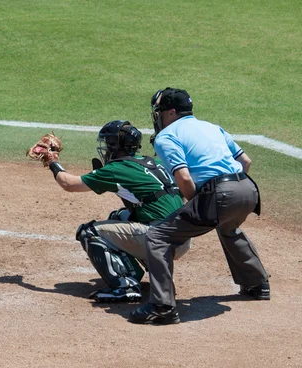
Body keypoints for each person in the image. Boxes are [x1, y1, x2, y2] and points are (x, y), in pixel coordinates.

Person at [129, 87, 269, 325]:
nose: (159, 116)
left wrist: (200, 204)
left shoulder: (167, 136)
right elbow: (245, 161)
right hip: (248, 189)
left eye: (160, 111)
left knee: (157, 236)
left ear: (171, 112)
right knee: (228, 227)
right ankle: (257, 283)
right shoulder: (212, 127)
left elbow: (183, 178)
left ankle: (162, 306)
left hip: (220, 194)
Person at [40, 120, 191, 302]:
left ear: (114, 145)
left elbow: (68, 183)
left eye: (107, 143)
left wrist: (53, 162)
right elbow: (145, 201)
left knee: (89, 232)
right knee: (118, 217)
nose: (104, 148)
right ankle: (155, 272)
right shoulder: (154, 162)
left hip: (158, 241)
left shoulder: (117, 168)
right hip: (181, 239)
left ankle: (125, 286)